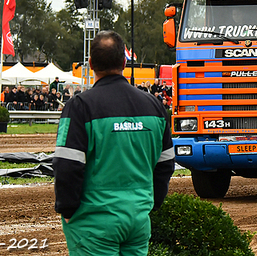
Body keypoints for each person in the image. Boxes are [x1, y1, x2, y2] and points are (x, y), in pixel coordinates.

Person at [53, 30, 174, 256]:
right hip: (138, 220)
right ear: (124, 62)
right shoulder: (154, 105)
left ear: (90, 64)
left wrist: (67, 208)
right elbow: (166, 162)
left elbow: (67, 164)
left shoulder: (80, 106)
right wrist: (152, 204)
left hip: (93, 223)